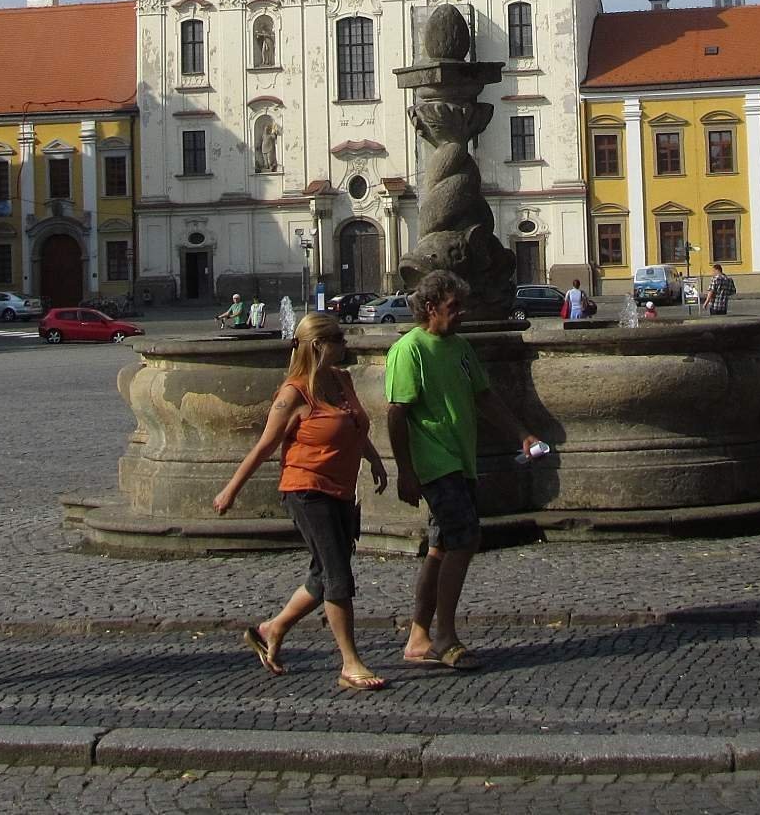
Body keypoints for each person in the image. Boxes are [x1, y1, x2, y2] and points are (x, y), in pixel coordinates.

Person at [213, 312, 389, 691]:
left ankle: (272, 628)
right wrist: (231, 489)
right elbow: (265, 446)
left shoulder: (341, 381)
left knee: (322, 575)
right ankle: (350, 663)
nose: (346, 343)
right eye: (338, 338)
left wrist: (373, 459)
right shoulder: (293, 393)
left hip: (340, 490)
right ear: (318, 346)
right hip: (306, 490)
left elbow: (353, 422)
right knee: (338, 575)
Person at [385, 269, 542, 671]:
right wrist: (405, 470)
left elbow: (485, 398)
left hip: (461, 459)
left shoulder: (459, 347)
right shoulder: (409, 350)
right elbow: (397, 413)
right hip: (436, 462)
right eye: (454, 307)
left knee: (440, 548)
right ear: (430, 307)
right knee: (464, 540)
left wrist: (521, 434)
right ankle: (445, 636)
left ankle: (419, 636)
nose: (463, 314)